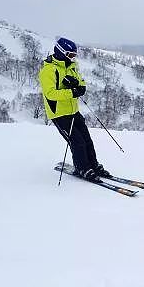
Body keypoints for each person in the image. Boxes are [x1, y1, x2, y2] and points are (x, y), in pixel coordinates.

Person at [38, 37, 109, 181]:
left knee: (87, 140)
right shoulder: (48, 70)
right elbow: (50, 94)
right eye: (70, 55)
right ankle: (82, 168)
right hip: (59, 114)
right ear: (61, 52)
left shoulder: (72, 66)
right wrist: (72, 92)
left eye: (74, 55)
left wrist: (80, 86)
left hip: (73, 111)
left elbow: (80, 80)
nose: (73, 58)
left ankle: (93, 165)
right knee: (77, 142)